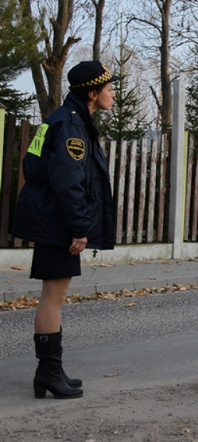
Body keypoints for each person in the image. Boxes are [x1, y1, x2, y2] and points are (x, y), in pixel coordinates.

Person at [13, 61, 119, 399]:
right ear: (92, 93)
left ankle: (51, 370)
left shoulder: (62, 118)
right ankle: (47, 372)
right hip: (56, 220)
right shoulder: (71, 125)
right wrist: (78, 228)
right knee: (53, 297)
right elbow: (67, 181)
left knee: (53, 296)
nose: (112, 93)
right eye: (108, 88)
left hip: (49, 216)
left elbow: (37, 167)